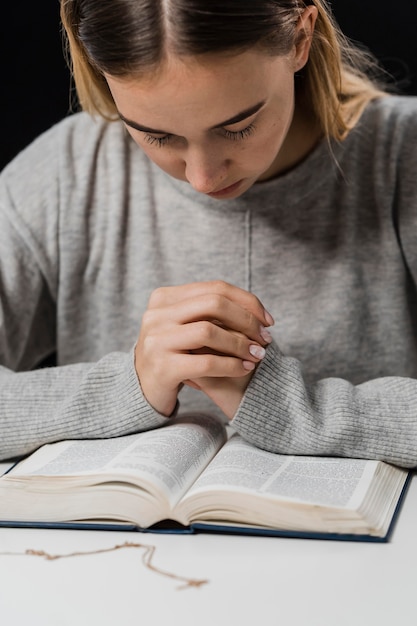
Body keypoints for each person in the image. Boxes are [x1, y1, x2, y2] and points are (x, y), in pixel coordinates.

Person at [0, 0, 416, 468]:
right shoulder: (64, 173)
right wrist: (129, 382)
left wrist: (295, 409)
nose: (202, 178)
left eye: (238, 127)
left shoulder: (404, 159)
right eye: (157, 136)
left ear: (301, 38)